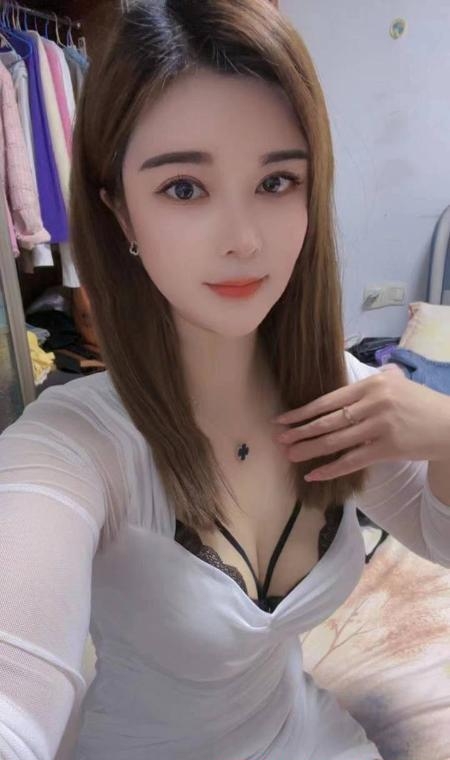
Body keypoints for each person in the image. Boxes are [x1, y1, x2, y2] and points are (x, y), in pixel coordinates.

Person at [0, 1, 449, 758]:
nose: (243, 240)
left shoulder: (334, 390)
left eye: (277, 182)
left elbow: (437, 535)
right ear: (121, 214)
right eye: (184, 188)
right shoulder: (72, 446)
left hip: (310, 735)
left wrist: (444, 428)